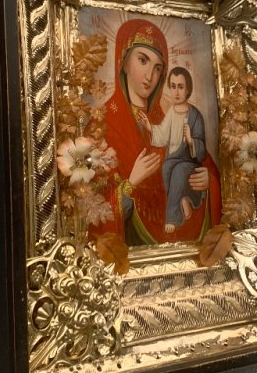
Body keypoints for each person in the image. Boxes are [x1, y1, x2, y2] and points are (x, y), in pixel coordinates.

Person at [87, 18, 221, 246]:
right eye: (143, 60)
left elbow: (205, 167)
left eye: (158, 68)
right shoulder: (101, 125)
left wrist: (209, 181)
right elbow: (92, 208)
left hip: (177, 240)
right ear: (123, 61)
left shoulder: (168, 116)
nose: (150, 75)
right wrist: (131, 183)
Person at [138, 68, 206, 233]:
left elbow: (202, 149)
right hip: (172, 159)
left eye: (180, 87)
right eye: (173, 86)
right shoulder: (171, 112)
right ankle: (183, 199)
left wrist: (190, 140)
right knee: (166, 168)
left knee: (179, 171)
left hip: (189, 162)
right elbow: (162, 134)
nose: (176, 92)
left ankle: (172, 218)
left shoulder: (195, 115)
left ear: (188, 89)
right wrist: (149, 127)